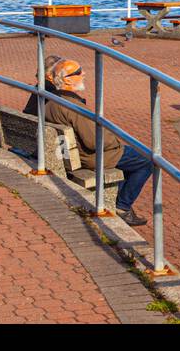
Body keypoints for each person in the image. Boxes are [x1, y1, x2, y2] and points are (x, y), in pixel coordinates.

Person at [24, 55, 155, 227]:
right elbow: (94, 141)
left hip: (71, 152)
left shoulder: (51, 102)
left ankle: (118, 201)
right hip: (88, 157)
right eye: (78, 72)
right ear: (67, 80)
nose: (84, 74)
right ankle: (123, 207)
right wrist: (115, 141)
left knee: (132, 156)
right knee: (148, 160)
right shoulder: (71, 105)